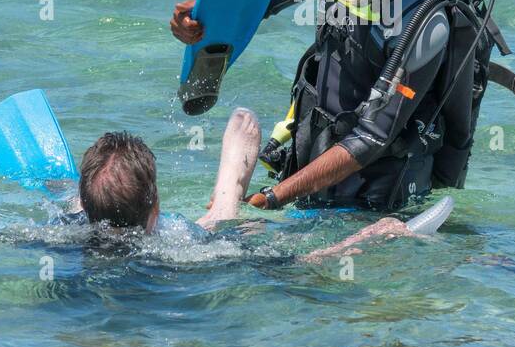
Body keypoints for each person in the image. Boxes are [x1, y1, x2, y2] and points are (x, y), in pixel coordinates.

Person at [170, 0, 454, 213]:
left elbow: (373, 137)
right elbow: (256, 3)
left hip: (377, 190)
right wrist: (201, 20)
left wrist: (275, 196)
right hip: (312, 159)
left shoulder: (423, 23)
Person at [75, 106, 422, 257]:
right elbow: (296, 265)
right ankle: (227, 198)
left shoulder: (57, 239)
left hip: (98, 248)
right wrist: (363, 240)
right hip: (167, 272)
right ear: (156, 205)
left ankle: (227, 200)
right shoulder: (175, 255)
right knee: (219, 233)